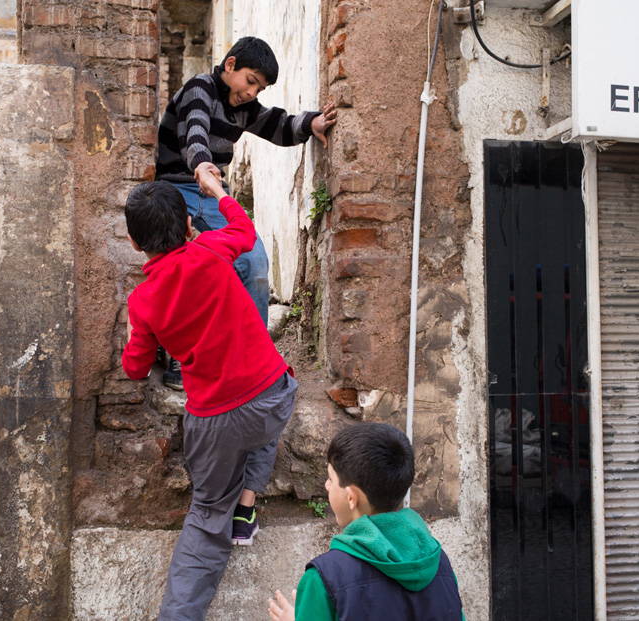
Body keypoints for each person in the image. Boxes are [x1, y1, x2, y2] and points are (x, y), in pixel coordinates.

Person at [121, 169, 298, 621]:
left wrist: (133, 331)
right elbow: (243, 230)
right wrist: (218, 190)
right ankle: (247, 505)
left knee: (204, 515)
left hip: (212, 422)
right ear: (186, 227)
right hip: (270, 397)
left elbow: (135, 368)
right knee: (272, 407)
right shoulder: (209, 250)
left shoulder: (143, 301)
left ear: (136, 243)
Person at [153, 35, 337, 390]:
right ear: (231, 64)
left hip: (211, 193)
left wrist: (311, 124)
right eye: (251, 81)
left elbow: (278, 125)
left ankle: (254, 358)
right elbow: (194, 133)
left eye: (260, 88)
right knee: (197, 265)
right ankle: (185, 359)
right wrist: (203, 164)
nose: (253, 92)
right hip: (177, 190)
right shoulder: (199, 89)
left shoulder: (245, 107)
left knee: (253, 263)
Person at [268, 423, 465, 621]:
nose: (327, 486)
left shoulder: (324, 578)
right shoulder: (439, 563)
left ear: (351, 498)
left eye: (331, 478)